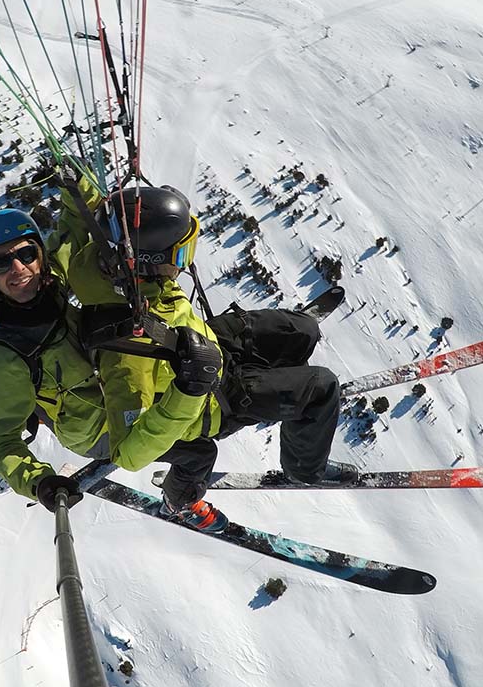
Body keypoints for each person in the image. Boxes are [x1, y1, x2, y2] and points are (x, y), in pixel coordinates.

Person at [49, 178, 353, 505]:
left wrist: (80, 184)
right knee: (321, 387)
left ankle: (286, 372)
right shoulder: (127, 355)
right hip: (208, 395)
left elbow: (85, 219)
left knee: (300, 331)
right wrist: (190, 388)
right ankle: (304, 469)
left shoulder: (104, 265)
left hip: (196, 340)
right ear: (147, 261)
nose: (185, 263)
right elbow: (128, 451)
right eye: (181, 253)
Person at [0, 207, 233, 529]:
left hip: (117, 386)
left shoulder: (48, 281)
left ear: (39, 256)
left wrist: (83, 188)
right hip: (95, 430)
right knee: (199, 453)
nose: (18, 268)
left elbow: (72, 228)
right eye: (1, 263)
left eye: (26, 253)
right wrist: (39, 482)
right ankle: (180, 503)